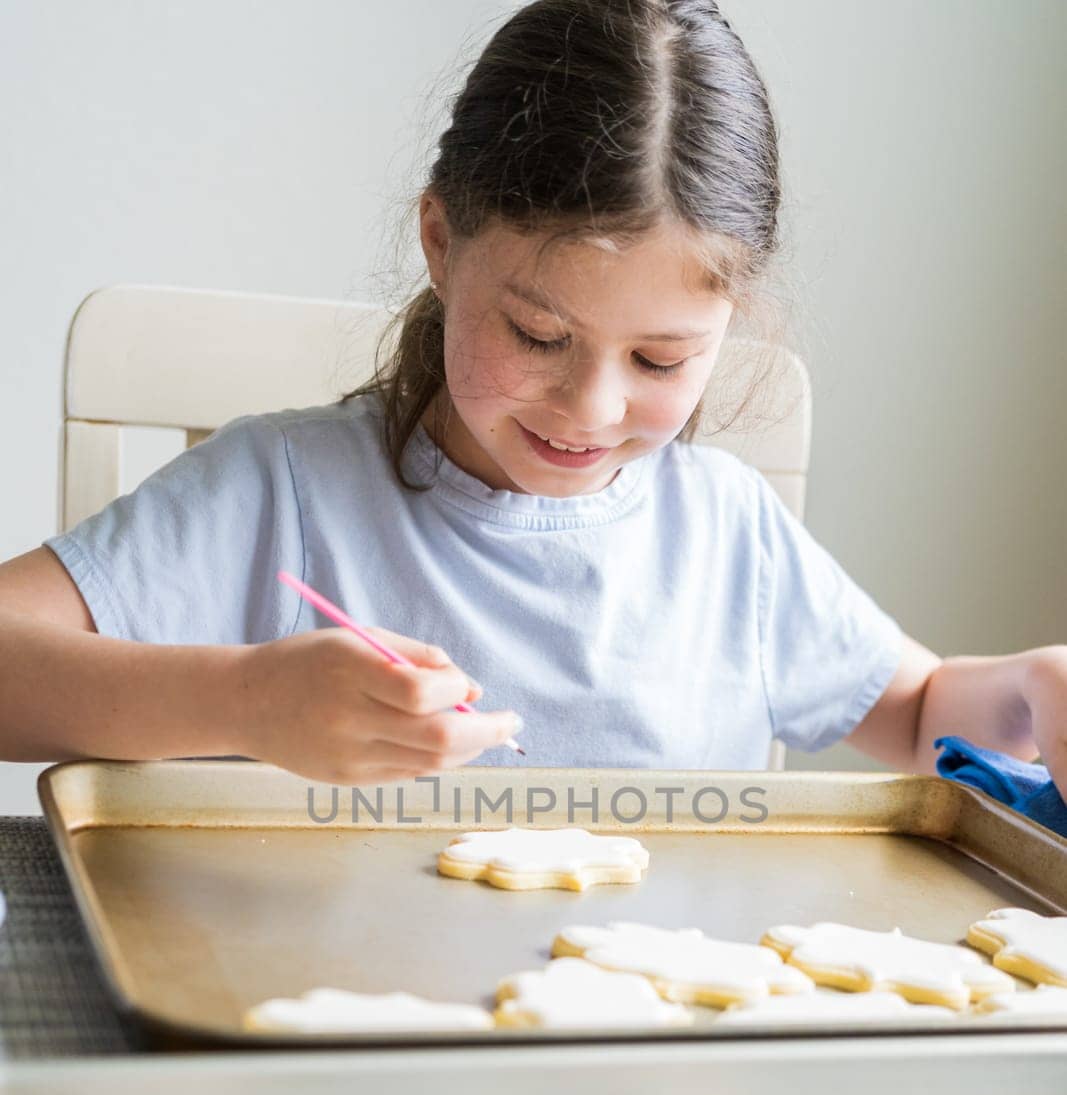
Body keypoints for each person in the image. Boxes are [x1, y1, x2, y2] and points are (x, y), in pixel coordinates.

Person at [1, 0, 1064, 793]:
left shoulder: (724, 534)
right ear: (439, 242)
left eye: (658, 361)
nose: (592, 409)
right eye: (537, 333)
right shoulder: (282, 494)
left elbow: (923, 711)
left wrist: (1027, 691)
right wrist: (243, 701)